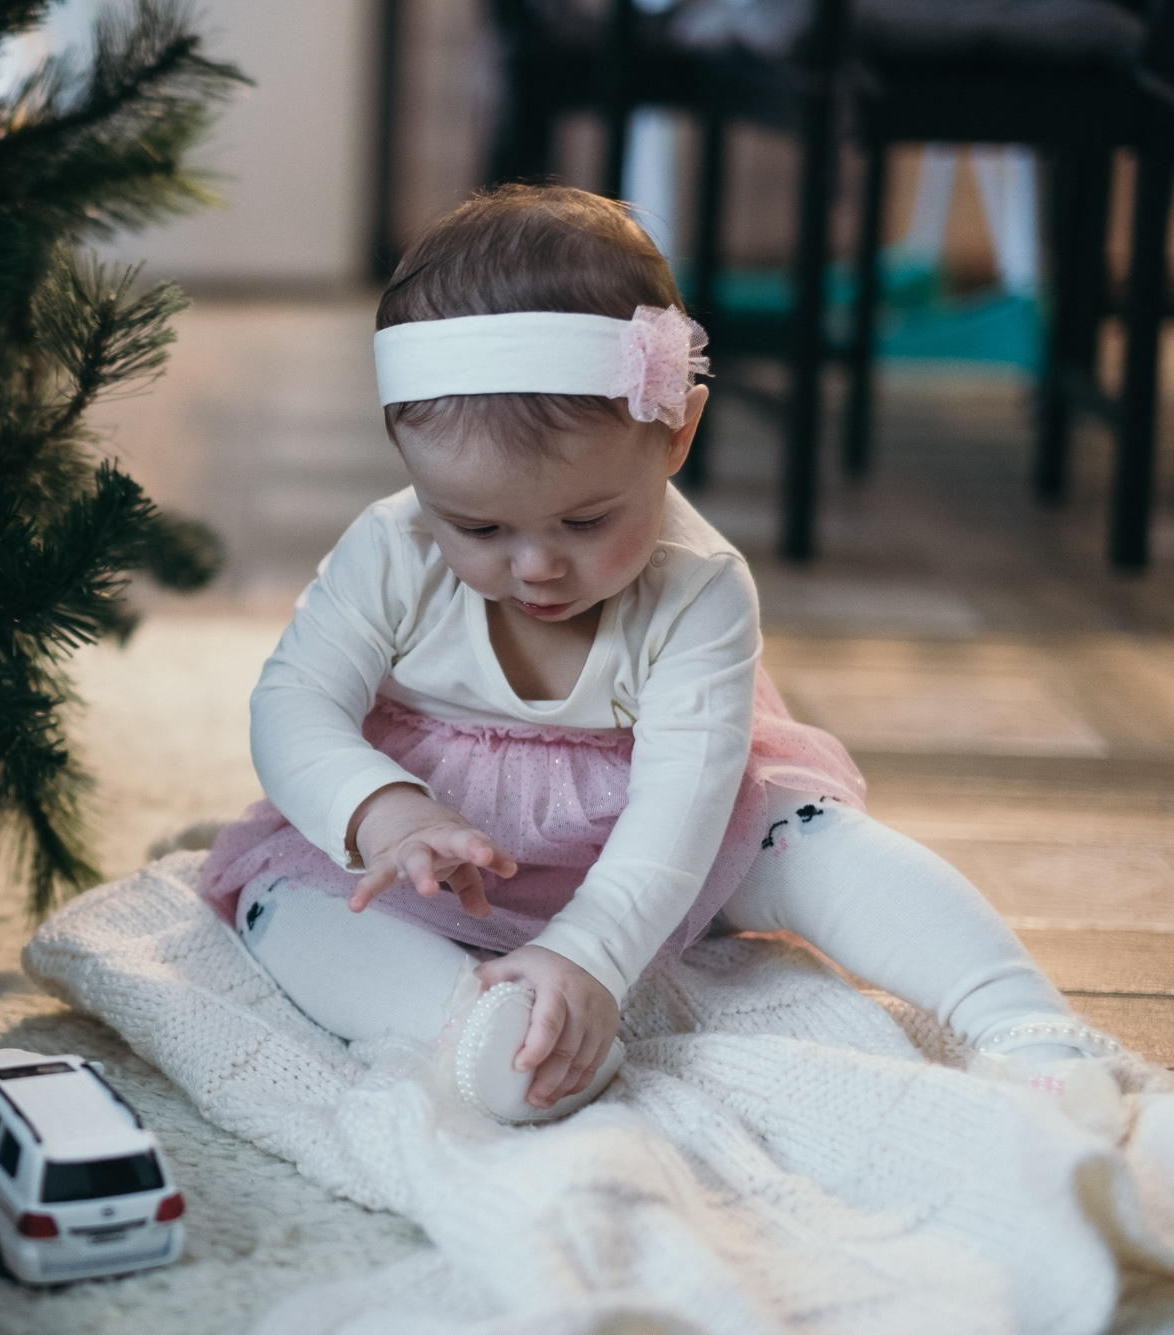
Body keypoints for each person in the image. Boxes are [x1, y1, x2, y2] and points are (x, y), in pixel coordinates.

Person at [198, 184, 1123, 1128]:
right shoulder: (390, 552)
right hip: (441, 845)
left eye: (587, 519)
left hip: (653, 829)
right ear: (410, 465)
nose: (536, 564)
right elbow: (292, 706)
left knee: (809, 837)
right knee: (291, 900)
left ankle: (1021, 1028)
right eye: (476, 524)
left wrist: (594, 949)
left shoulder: (701, 590)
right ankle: (486, 1034)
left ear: (676, 430)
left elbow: (682, 800)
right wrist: (383, 812)